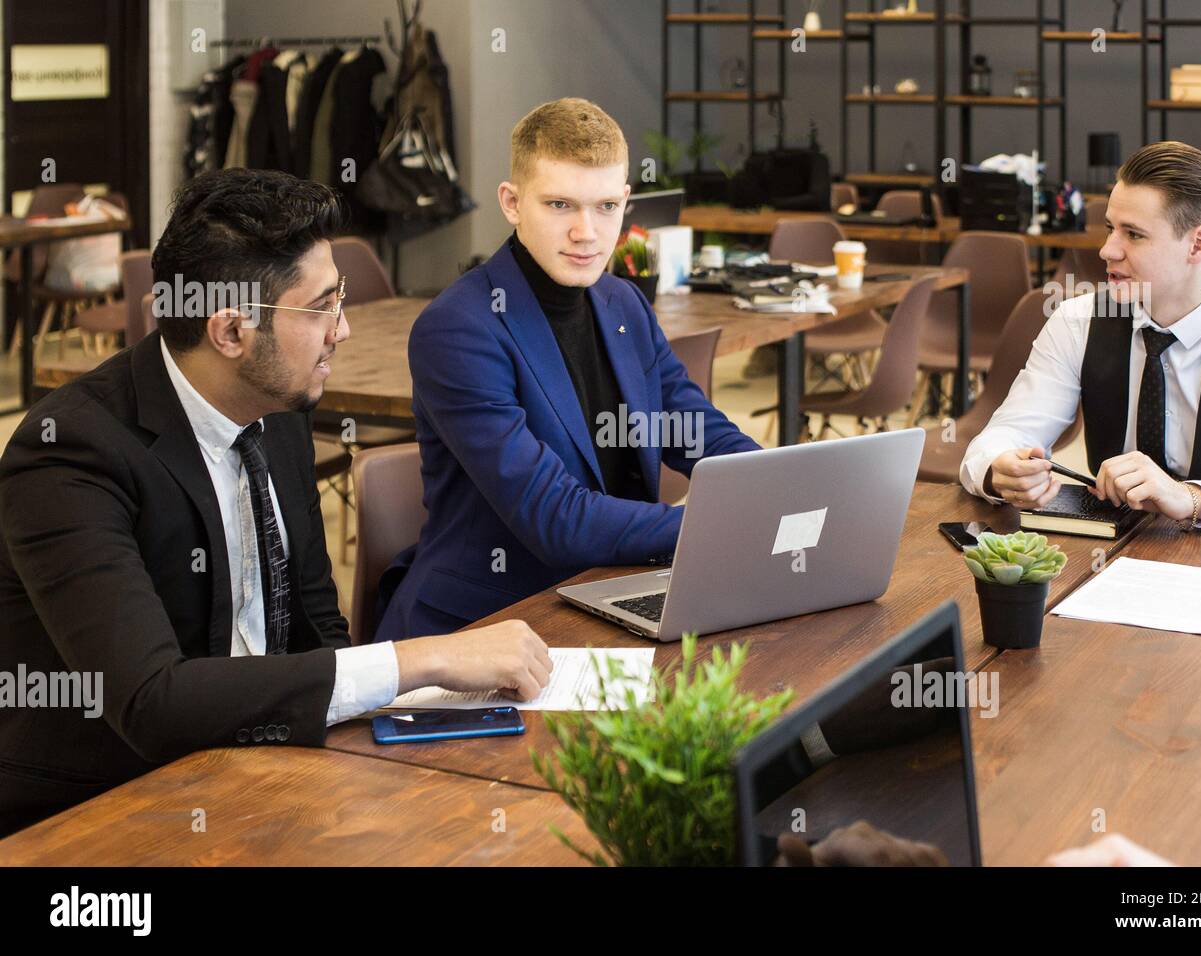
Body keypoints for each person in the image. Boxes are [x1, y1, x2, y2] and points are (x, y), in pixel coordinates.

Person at [0, 169, 551, 836]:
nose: (341, 330)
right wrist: (423, 659)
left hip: (266, 774)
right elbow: (153, 702)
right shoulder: (71, 454)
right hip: (102, 814)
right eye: (320, 307)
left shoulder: (275, 407)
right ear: (231, 331)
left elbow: (315, 624)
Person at [376, 98, 760, 640]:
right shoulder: (459, 329)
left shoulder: (623, 303)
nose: (587, 231)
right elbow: (557, 519)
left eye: (606, 206)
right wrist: (725, 523)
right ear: (511, 203)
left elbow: (698, 433)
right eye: (560, 205)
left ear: (627, 203)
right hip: (489, 622)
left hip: (611, 591)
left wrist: (777, 488)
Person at [961, 141, 1201, 531]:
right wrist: (999, 470)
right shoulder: (1078, 320)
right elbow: (1000, 438)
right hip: (1110, 549)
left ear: (1198, 244)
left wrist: (1191, 497)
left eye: (1134, 235)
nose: (1107, 250)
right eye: (1110, 229)